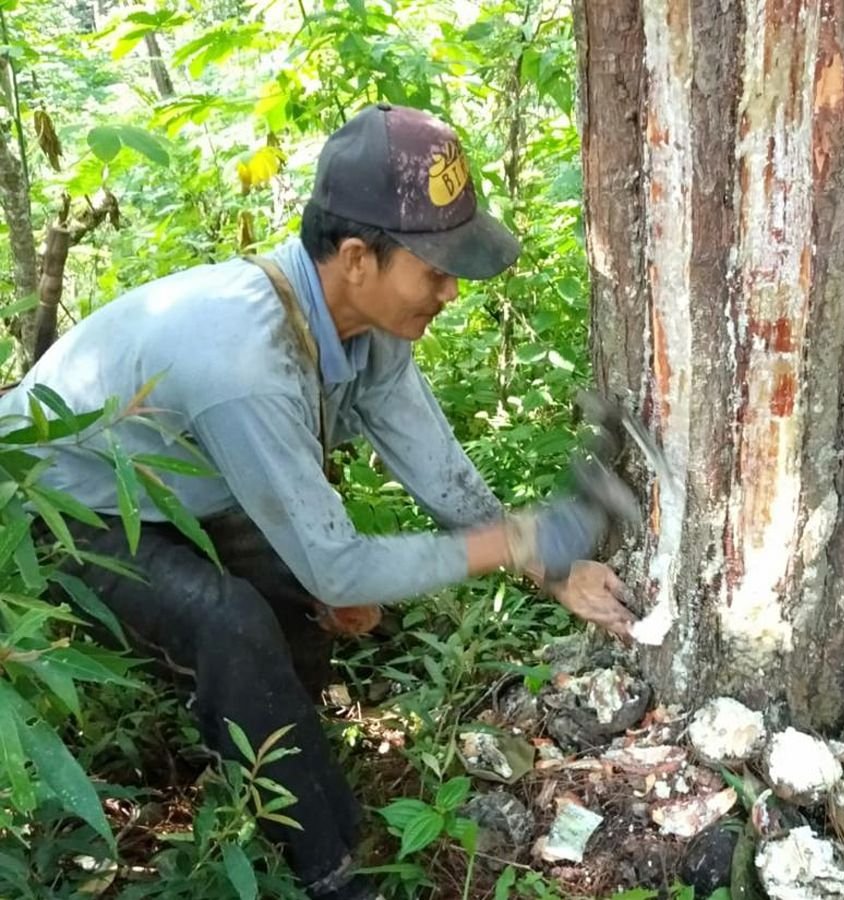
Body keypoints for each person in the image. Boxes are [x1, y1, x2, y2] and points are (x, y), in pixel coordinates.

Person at [0, 103, 636, 899]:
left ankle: (279, 752)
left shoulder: (370, 328)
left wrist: (554, 564)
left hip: (176, 478)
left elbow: (433, 467)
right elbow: (337, 567)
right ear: (359, 258)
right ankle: (328, 871)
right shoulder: (245, 364)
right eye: (435, 271)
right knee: (231, 623)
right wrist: (513, 542)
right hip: (53, 501)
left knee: (295, 602)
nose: (449, 294)